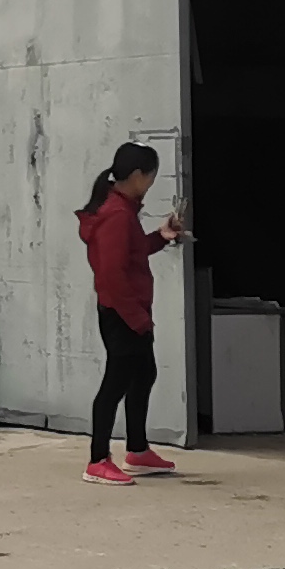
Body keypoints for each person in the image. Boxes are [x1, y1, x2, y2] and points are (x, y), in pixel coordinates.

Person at [77, 142, 183, 486]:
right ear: (137, 175)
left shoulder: (123, 210)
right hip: (121, 312)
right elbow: (112, 275)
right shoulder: (117, 215)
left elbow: (133, 252)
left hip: (131, 310)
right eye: (151, 176)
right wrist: (136, 319)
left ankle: (137, 450)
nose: (151, 183)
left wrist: (162, 236)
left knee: (144, 374)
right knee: (116, 383)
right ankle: (97, 460)